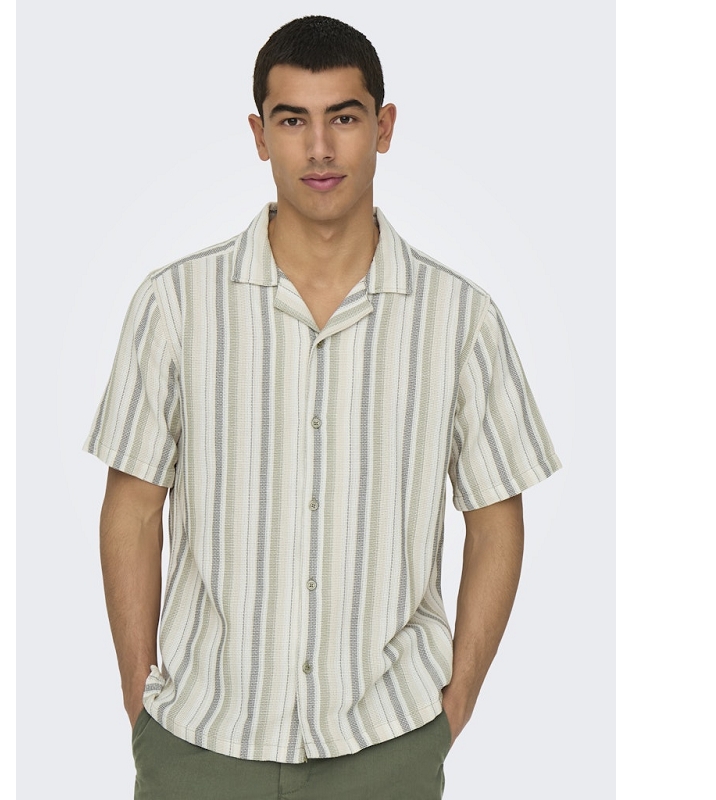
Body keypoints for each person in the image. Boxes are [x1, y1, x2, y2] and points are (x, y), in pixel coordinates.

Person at [84, 15, 561, 800]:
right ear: (259, 135)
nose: (318, 148)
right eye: (291, 120)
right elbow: (133, 508)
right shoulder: (175, 306)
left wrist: (454, 707)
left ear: (384, 127)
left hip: (386, 743)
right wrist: (142, 703)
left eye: (343, 117)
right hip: (201, 741)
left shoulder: (459, 319)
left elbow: (495, 518)